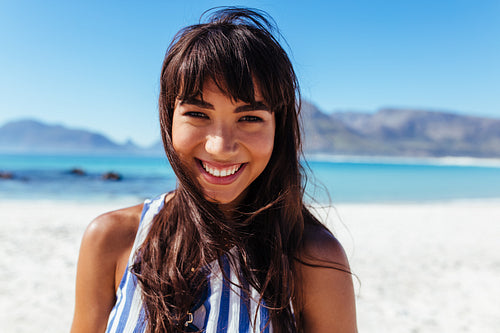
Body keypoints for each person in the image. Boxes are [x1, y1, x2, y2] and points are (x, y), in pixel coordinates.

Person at [70, 7, 357, 333]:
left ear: (279, 127)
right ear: (168, 119)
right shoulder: (113, 238)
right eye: (198, 114)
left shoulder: (313, 259)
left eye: (249, 118)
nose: (220, 146)